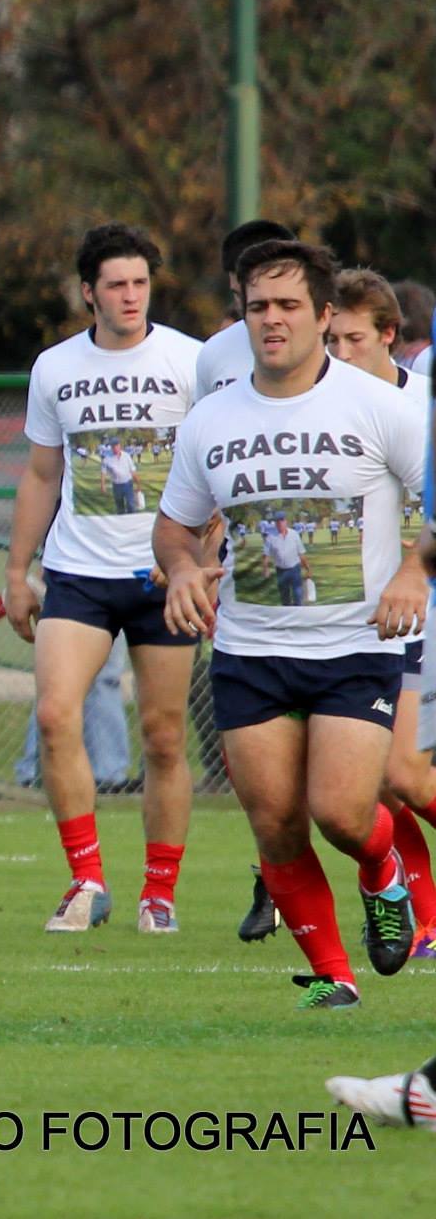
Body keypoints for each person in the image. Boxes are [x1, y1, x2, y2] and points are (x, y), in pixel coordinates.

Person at [157, 239, 427, 1009]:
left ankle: (381, 872)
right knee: (274, 824)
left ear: (322, 313)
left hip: (354, 643)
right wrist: (181, 569)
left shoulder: (380, 407)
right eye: (256, 306)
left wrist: (413, 571)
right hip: (248, 650)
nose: (270, 319)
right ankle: (333, 978)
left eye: (287, 305)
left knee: (340, 812)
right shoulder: (210, 418)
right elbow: (174, 525)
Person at [0, 222, 204, 935]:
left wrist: (195, 560)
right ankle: (86, 879)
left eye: (140, 282)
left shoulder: (191, 360)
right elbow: (40, 474)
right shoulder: (54, 367)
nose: (130, 296)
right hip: (78, 572)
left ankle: (158, 892)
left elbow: (217, 467)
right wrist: (15, 570)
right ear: (88, 292)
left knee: (163, 736)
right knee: (55, 714)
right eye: (116, 285)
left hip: (161, 577)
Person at [317, 268, 436, 961]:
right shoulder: (325, 409)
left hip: (425, 611)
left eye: (352, 339)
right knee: (382, 785)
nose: (339, 352)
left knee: (402, 776)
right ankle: (425, 921)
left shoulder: (419, 404)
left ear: (388, 335)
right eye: (330, 339)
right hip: (370, 622)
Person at [193, 218, 299, 397]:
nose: (247, 307)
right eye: (238, 295)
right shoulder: (214, 352)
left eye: (259, 299)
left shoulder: (330, 346)